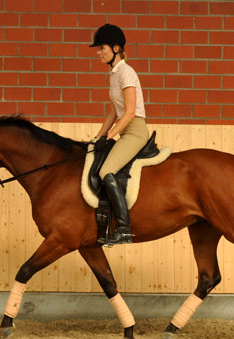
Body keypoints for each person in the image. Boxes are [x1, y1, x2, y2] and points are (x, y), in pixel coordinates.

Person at [89, 24, 149, 245]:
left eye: (101, 47)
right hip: (125, 131)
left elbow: (130, 112)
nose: (98, 52)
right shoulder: (113, 75)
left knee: (106, 170)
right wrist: (98, 138)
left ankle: (124, 227)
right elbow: (113, 111)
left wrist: (112, 135)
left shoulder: (126, 72)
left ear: (115, 48)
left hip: (135, 132)